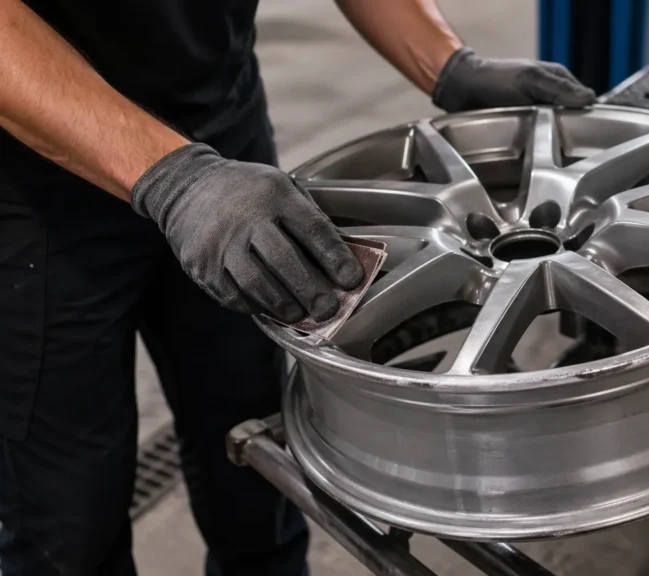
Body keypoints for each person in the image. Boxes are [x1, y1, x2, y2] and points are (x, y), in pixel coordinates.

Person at [0, 0, 596, 573]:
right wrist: (172, 180)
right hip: (36, 178)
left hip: (221, 134)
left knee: (257, 455)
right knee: (67, 511)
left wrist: (443, 62)